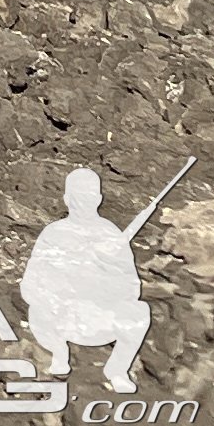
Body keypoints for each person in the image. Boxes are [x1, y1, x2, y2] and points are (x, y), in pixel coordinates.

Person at [21, 168, 152, 393]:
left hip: (98, 319)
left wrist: (103, 286)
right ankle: (59, 353)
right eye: (78, 197)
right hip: (61, 319)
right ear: (66, 199)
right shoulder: (53, 233)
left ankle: (118, 370)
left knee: (139, 312)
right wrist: (60, 292)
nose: (83, 203)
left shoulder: (111, 235)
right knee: (38, 309)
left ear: (99, 199)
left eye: (89, 197)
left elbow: (132, 287)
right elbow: (30, 284)